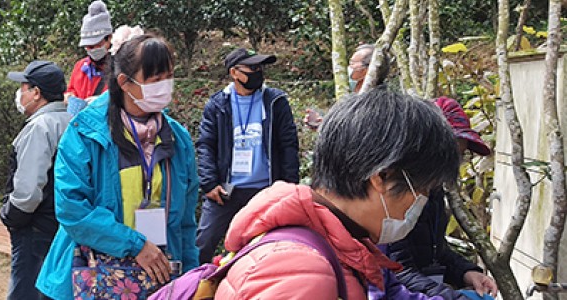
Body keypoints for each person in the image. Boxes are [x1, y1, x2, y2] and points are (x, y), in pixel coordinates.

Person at [210, 88, 461, 299]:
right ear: (381, 177)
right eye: (423, 189)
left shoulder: (347, 246)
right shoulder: (298, 271)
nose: (422, 201)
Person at [36, 35, 201, 300]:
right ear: (125, 82)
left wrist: (190, 279)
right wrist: (135, 245)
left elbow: (185, 222)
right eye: (155, 79)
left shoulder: (177, 140)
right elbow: (72, 209)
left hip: (155, 279)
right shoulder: (86, 132)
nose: (165, 87)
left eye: (169, 77)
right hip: (90, 278)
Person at [383, 97, 499, 299]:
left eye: (459, 156)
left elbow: (435, 251)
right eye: (447, 155)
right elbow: (396, 270)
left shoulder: (433, 192)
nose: (452, 165)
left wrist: (466, 272)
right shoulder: (396, 195)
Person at [195, 48, 300, 264]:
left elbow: (289, 145)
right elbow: (206, 145)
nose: (258, 72)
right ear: (234, 72)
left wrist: (288, 186)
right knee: (204, 242)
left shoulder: (275, 101)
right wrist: (209, 183)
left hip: (266, 188)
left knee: (270, 246)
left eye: (260, 67)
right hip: (226, 190)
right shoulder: (217, 104)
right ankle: (192, 289)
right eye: (252, 68)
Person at [0, 61, 71, 300]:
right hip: (60, 224)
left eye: (23, 88)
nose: (20, 94)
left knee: (25, 289)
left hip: (35, 226)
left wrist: (10, 215)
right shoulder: (71, 121)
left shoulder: (40, 127)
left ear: (37, 93)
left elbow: (28, 191)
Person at [64, 0, 114, 115]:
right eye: (88, 46)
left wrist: (105, 101)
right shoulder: (80, 66)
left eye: (96, 45)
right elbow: (70, 90)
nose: (92, 50)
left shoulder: (122, 66)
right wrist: (68, 97)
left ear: (109, 38)